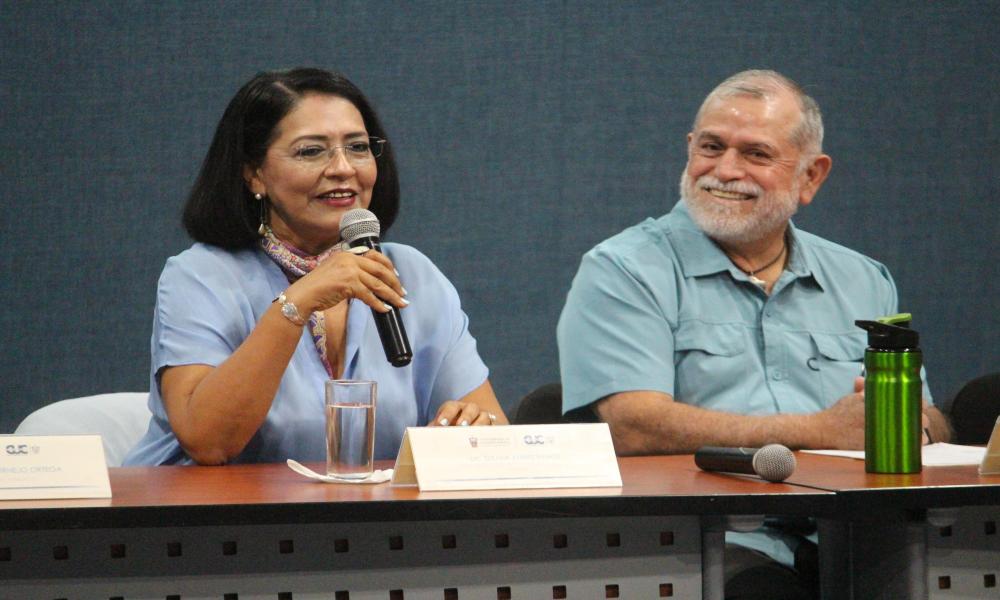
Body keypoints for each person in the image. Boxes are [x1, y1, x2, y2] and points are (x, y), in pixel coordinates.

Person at [557, 70, 950, 599]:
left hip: (866, 534)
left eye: (756, 154)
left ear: (811, 176)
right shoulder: (624, 269)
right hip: (707, 544)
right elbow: (631, 425)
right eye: (711, 147)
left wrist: (917, 427)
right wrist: (819, 429)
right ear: (688, 150)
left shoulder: (863, 278)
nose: (724, 171)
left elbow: (926, 423)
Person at [125, 67, 506, 466]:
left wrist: (472, 430)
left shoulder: (413, 274)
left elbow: (495, 437)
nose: (343, 168)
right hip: (208, 522)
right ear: (254, 173)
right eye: (312, 151)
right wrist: (298, 301)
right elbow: (209, 441)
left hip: (371, 521)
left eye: (357, 147)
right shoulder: (201, 277)